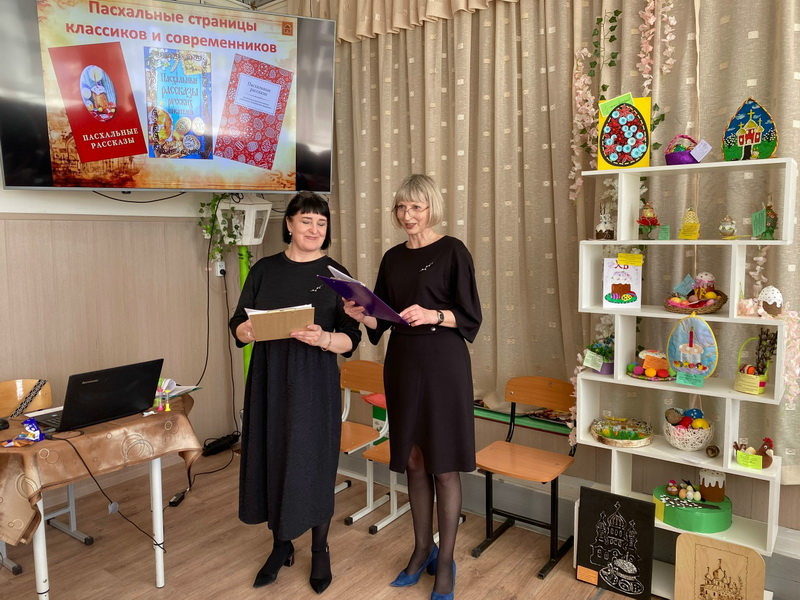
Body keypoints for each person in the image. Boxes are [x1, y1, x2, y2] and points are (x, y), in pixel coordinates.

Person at [344, 174, 481, 600]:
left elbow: (470, 315)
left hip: (443, 364)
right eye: (402, 207)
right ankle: (422, 550)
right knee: (414, 459)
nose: (408, 215)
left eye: (416, 207)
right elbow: (382, 319)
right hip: (402, 363)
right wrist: (360, 314)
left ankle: (446, 563)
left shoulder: (453, 251)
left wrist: (434, 314)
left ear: (431, 208)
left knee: (444, 464)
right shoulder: (392, 258)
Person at [229, 191, 361, 595]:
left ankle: (320, 550)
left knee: (314, 464)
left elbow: (352, 338)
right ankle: (281, 546)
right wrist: (245, 330)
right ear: (288, 224)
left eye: (321, 223)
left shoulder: (337, 276)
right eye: (306, 221)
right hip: (269, 380)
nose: (314, 229)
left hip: (315, 383)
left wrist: (325, 338)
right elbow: (238, 323)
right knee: (274, 458)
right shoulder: (264, 270)